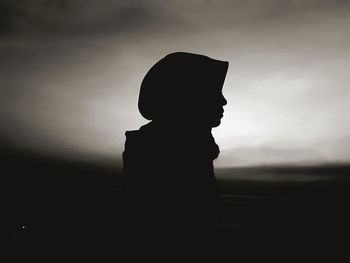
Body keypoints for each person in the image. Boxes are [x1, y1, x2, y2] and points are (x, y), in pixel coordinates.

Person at [122, 52, 228, 259]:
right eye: (214, 91)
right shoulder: (170, 152)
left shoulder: (191, 148)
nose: (223, 101)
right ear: (188, 98)